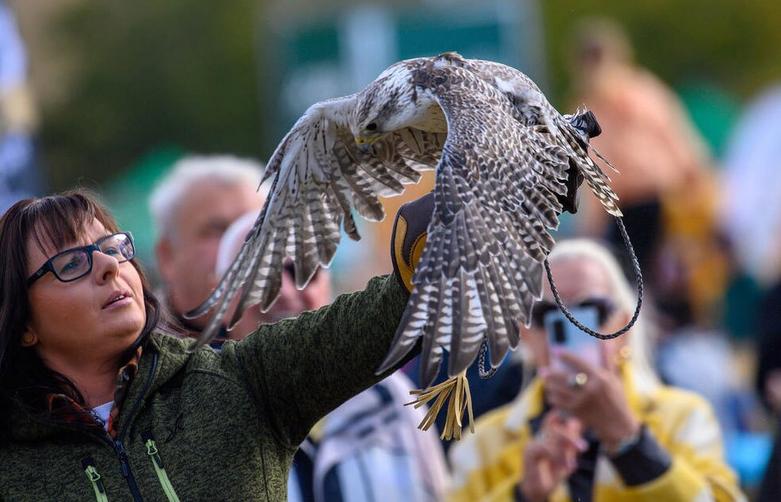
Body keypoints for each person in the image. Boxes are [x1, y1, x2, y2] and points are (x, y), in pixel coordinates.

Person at [0, 189, 431, 500]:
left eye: (112, 247)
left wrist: (437, 239)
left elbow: (379, 318)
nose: (109, 266)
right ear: (22, 322)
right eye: (71, 263)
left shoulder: (237, 381)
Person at [448, 239, 744, 502]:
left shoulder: (684, 418)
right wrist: (524, 495)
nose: (574, 327)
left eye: (591, 310)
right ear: (526, 335)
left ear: (623, 327)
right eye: (548, 316)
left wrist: (631, 441)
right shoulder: (483, 445)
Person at [216, 211, 450, 501]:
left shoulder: (391, 400)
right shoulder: (204, 413)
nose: (284, 291)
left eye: (302, 271)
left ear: (328, 285)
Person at [148, 155, 266, 333]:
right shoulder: (135, 354)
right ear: (168, 256)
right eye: (218, 231)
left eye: (253, 229)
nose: (240, 243)